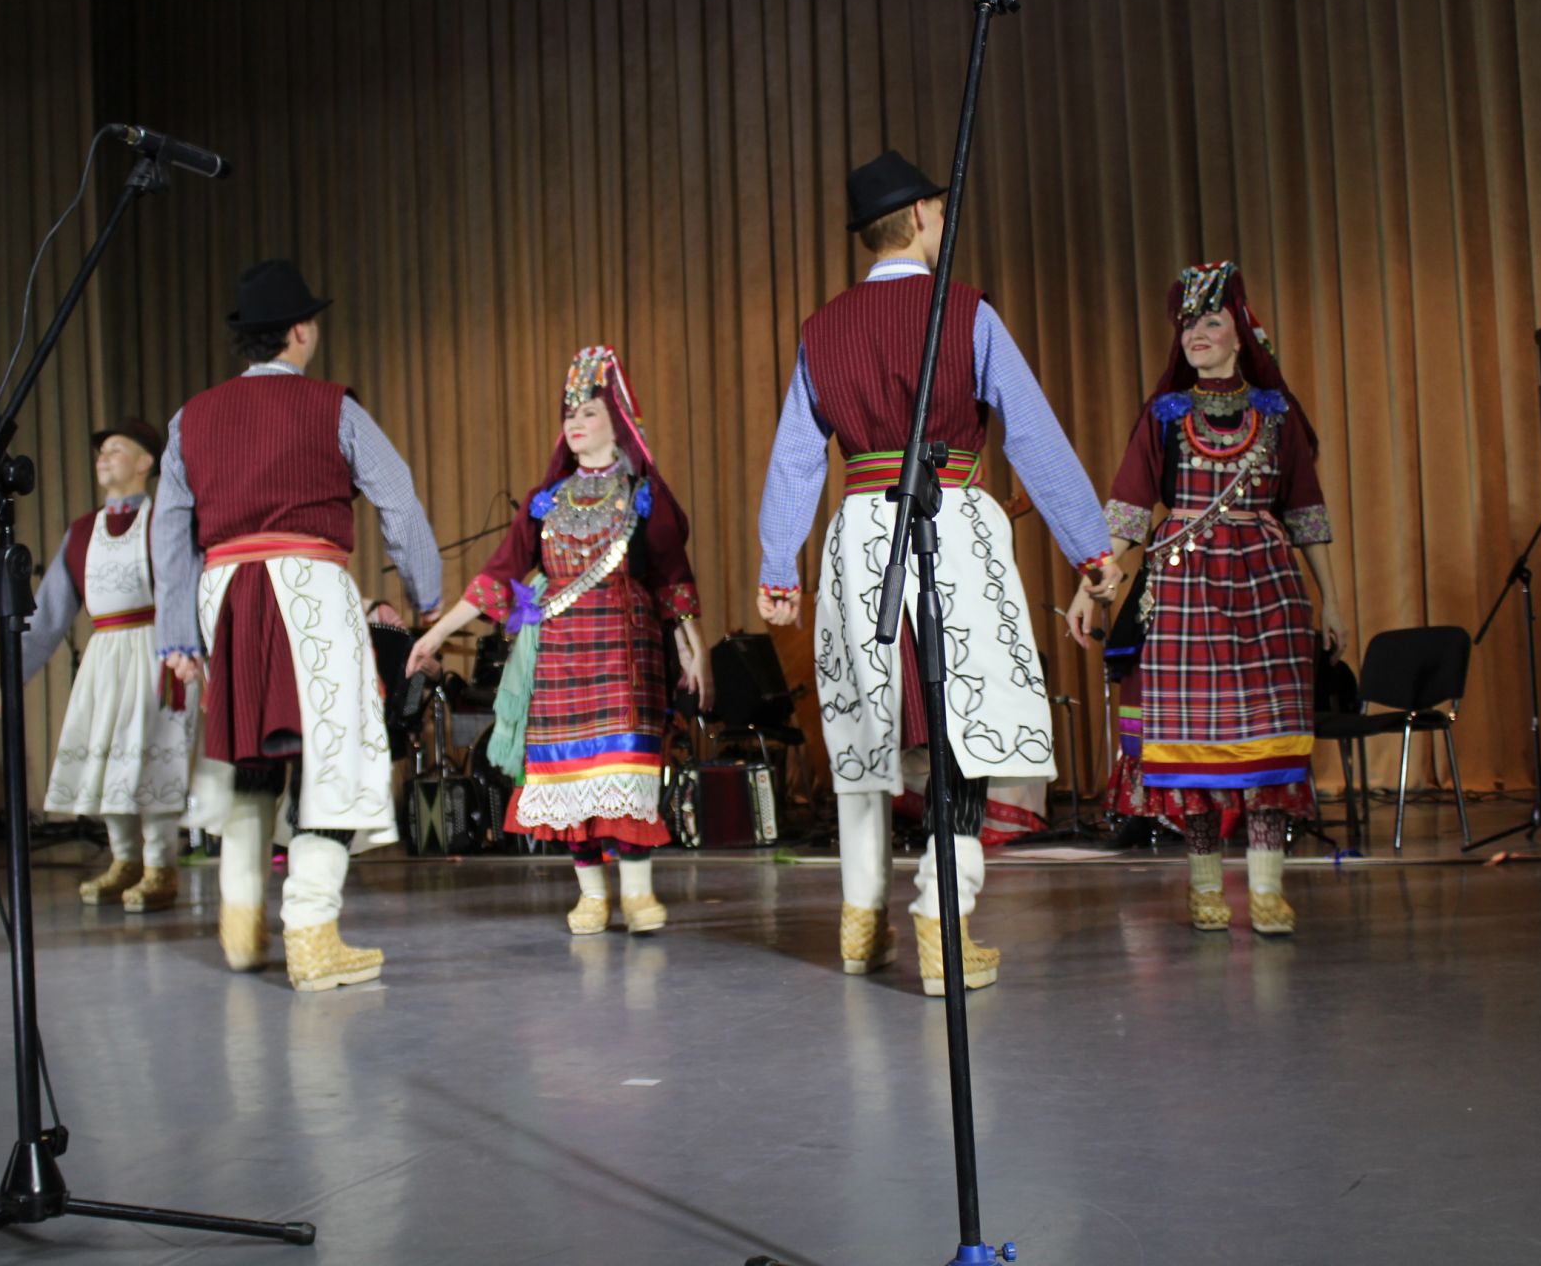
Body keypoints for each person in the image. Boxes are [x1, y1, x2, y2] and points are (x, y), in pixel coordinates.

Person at [755, 150, 1118, 995]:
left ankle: (859, 924)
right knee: (963, 729)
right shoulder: (965, 312)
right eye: (942, 211)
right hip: (948, 523)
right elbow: (1030, 433)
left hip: (858, 537)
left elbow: (796, 459)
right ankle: (939, 925)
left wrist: (780, 566)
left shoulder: (823, 329)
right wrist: (1091, 548)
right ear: (921, 215)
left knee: (863, 724)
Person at [152, 259, 444, 991]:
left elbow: (169, 532)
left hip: (225, 591)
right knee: (329, 756)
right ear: (300, 333)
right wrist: (426, 597)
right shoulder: (334, 408)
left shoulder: (192, 418)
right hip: (309, 583)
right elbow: (399, 503)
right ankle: (312, 935)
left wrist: (178, 638)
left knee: (250, 753)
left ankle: (242, 925)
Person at [408, 346, 708, 936]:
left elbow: (673, 581)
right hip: (561, 658)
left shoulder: (645, 495)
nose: (575, 420)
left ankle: (639, 894)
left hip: (628, 656)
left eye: (589, 410)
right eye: (569, 410)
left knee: (625, 773)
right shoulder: (547, 502)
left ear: (617, 420)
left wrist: (695, 652)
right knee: (567, 777)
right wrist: (435, 635)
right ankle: (592, 896)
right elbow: (497, 578)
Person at [1091, 261, 1345, 935]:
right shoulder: (1164, 416)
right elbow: (1128, 506)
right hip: (1184, 590)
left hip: (1267, 591)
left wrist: (1336, 600)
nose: (1197, 335)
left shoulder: (1277, 417)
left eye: (1211, 322)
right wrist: (1105, 574)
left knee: (1269, 747)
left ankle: (1265, 890)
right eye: (1188, 326)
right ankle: (1205, 887)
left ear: (1242, 334)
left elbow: (1307, 512)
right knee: (1192, 752)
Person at [18, 419, 195, 911]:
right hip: (105, 654)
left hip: (156, 649)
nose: (103, 457)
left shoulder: (166, 522)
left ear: (145, 463)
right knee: (111, 756)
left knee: (152, 753)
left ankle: (161, 866)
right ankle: (125, 861)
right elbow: (49, 612)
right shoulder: (81, 532)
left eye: (116, 449)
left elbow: (188, 589)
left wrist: (189, 652)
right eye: (99, 452)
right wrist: (15, 677)